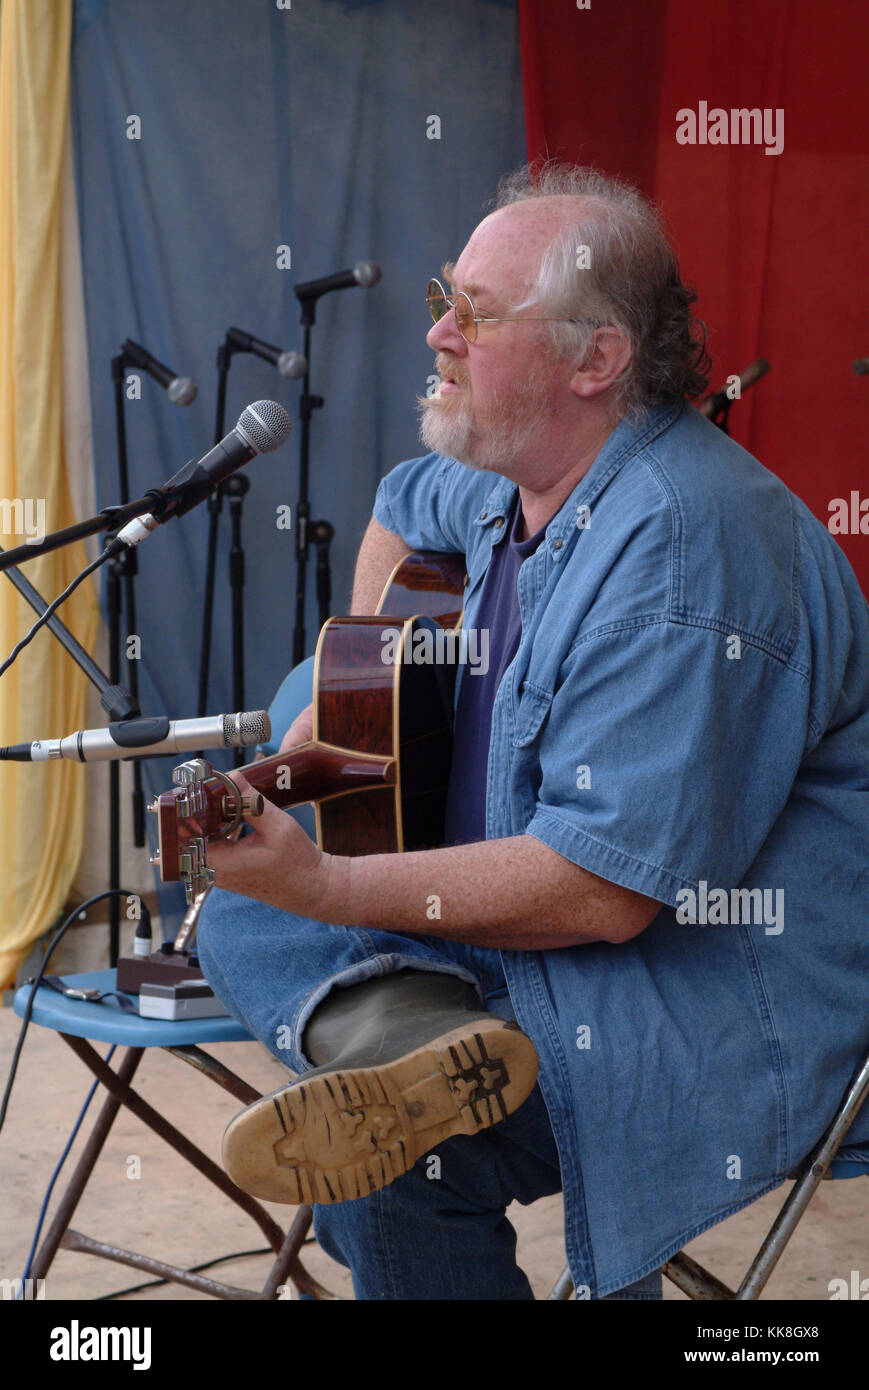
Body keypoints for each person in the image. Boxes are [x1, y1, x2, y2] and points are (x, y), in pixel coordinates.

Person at [196, 162, 869, 1301]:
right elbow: (401, 502)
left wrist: (331, 886)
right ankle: (408, 1046)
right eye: (439, 301)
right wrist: (353, 701)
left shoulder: (680, 549)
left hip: (699, 980)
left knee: (399, 1156)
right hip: (518, 945)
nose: (441, 335)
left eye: (477, 313)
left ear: (594, 360)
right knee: (235, 915)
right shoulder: (518, 471)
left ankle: (407, 1070)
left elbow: (603, 892)